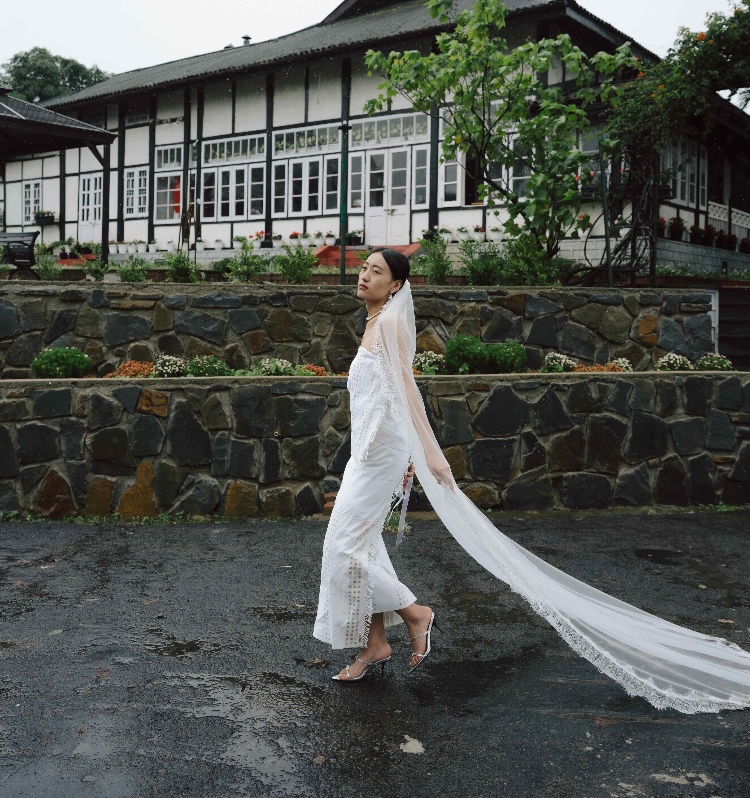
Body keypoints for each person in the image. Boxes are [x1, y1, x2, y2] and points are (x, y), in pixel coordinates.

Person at [314, 250, 750, 711]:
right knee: (361, 548)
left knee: (343, 548)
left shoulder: (387, 326)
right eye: (364, 268)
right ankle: (375, 644)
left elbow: (407, 392)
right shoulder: (373, 321)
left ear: (397, 285)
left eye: (376, 271)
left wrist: (427, 455)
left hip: (378, 458)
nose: (364, 275)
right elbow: (379, 399)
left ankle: (416, 614)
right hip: (369, 454)